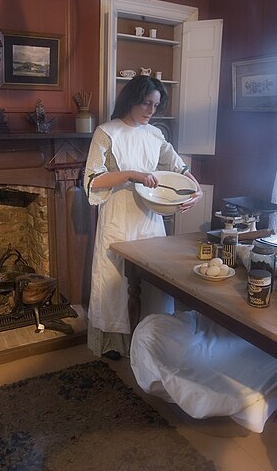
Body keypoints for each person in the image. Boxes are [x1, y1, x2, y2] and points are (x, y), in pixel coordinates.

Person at [83, 75, 203, 360]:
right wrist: (130, 174)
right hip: (118, 215)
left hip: (150, 216)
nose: (151, 110)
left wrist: (195, 189)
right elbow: (92, 181)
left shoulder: (154, 134)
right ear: (131, 99)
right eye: (146, 103)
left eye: (156, 105)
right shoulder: (106, 132)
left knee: (152, 278)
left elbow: (178, 166)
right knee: (114, 279)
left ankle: (150, 341)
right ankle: (115, 343)